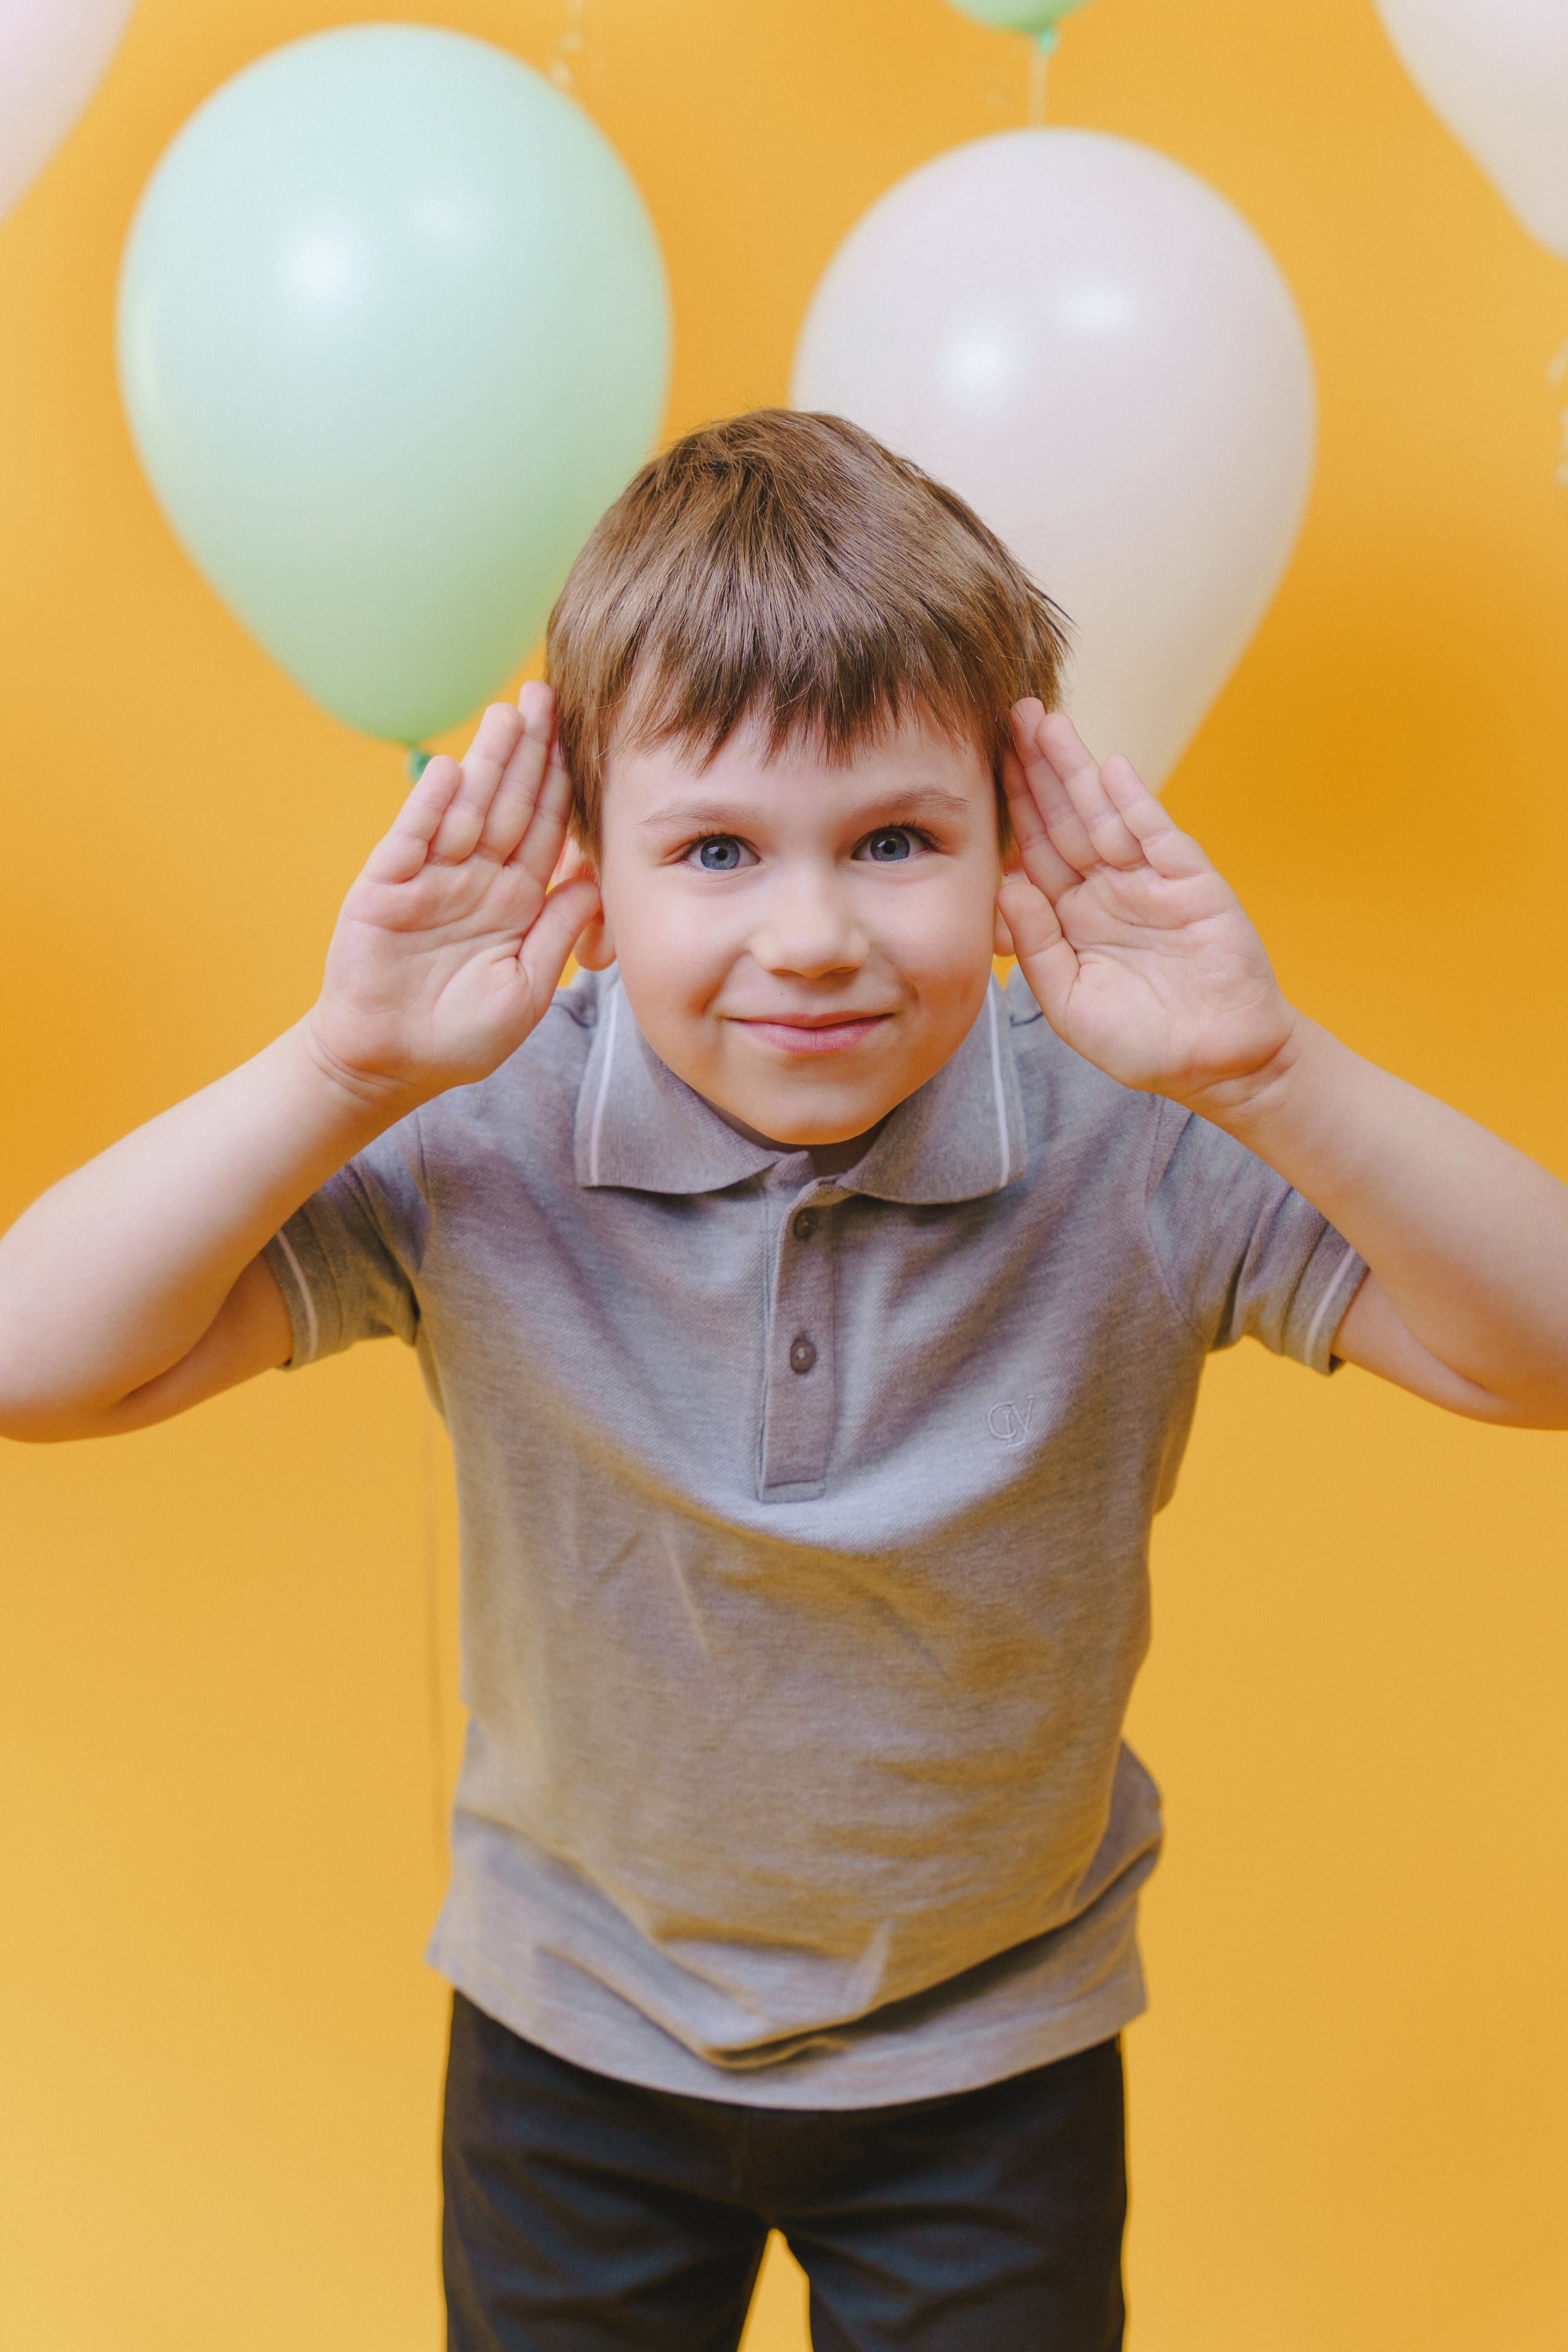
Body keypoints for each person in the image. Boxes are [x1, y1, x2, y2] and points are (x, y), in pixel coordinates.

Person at [2, 410, 1566, 2351]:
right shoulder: (487, 1128)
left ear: (1012, 843)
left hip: (991, 2050)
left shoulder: (1136, 1144)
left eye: (895, 841)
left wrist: (1267, 1071)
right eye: (718, 850)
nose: (810, 938)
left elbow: (1538, 1356)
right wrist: (343, 1069)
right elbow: (38, 1362)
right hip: (574, 2035)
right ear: (591, 864)